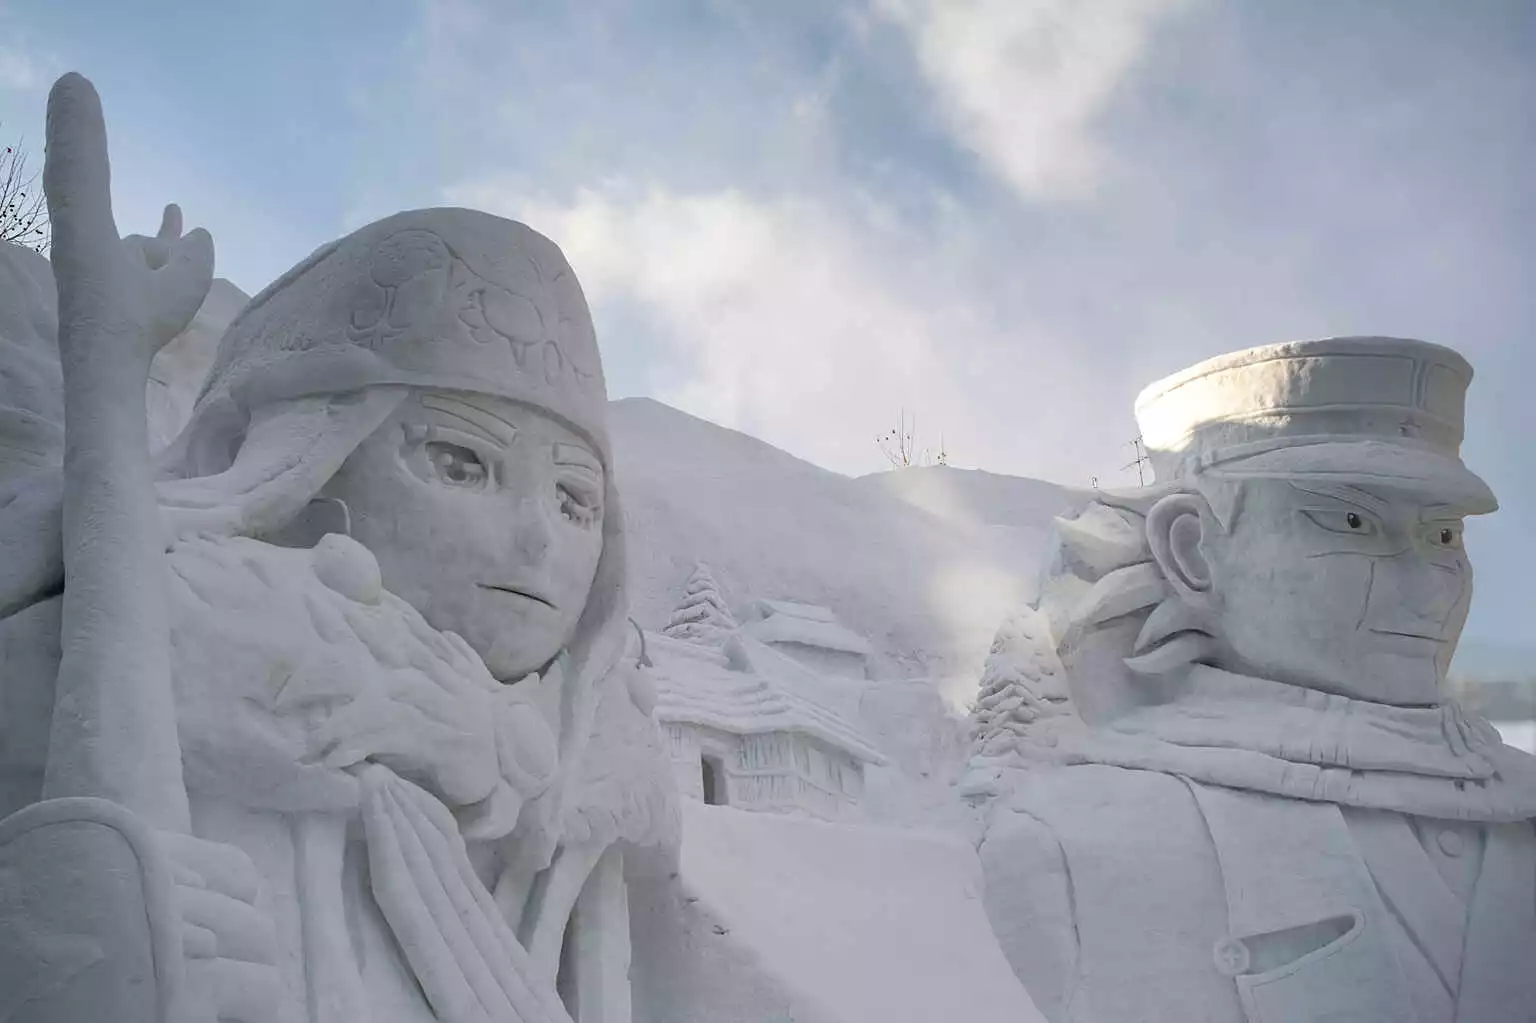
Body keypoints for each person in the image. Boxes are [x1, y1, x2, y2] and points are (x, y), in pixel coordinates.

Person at [0, 75, 674, 1023]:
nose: (537, 538)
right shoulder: (97, 665)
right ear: (310, 458)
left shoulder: (579, 798)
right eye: (461, 461)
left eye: (574, 498)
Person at [981, 337, 1536, 1023]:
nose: (1427, 587)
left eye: (1444, 536)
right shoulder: (1067, 843)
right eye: (1354, 521)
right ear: (1192, 551)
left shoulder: (1519, 806)